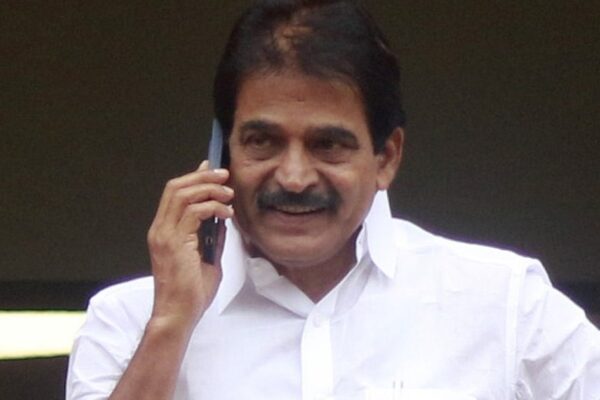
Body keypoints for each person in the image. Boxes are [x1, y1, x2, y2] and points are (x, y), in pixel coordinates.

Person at [66, 1, 600, 399]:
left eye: (328, 144)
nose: (295, 177)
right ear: (222, 152)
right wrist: (171, 323)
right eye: (263, 141)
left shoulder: (506, 305)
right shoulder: (128, 322)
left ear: (386, 157)